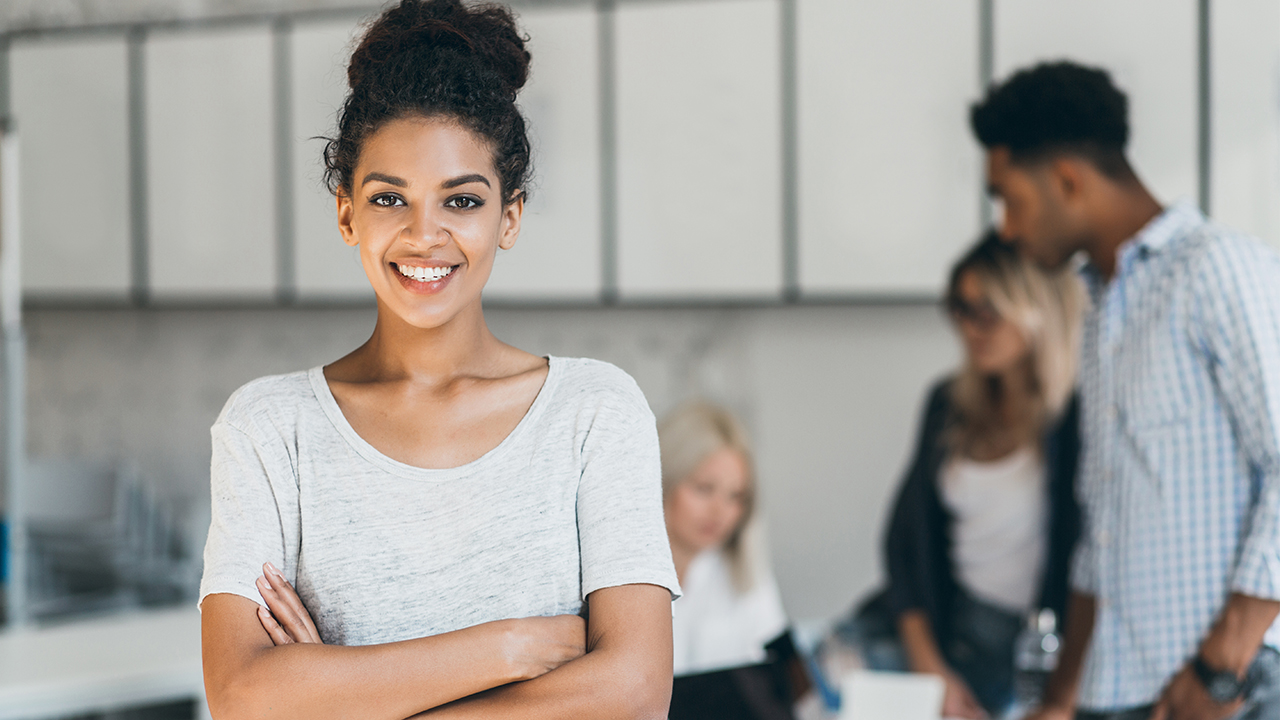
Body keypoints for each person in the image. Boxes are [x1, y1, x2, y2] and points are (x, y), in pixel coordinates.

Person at [197, 2, 679, 718]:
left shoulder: (595, 414)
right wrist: (510, 648)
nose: (425, 236)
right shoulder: (270, 430)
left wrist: (339, 690)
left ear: (508, 218)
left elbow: (637, 693)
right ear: (346, 214)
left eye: (462, 200)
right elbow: (242, 696)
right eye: (390, 197)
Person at [970, 61, 1280, 720]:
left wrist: (1222, 671)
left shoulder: (1216, 269)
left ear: (1066, 180)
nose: (1006, 227)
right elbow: (1101, 535)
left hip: (1222, 691)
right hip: (1120, 694)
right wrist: (1061, 698)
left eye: (1009, 198)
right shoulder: (1102, 308)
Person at [834, 231, 1085, 719]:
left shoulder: (1075, 421)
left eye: (987, 310)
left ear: (1036, 308)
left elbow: (1091, 563)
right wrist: (931, 667)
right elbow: (904, 546)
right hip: (941, 628)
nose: (971, 327)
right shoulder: (947, 404)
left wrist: (1063, 696)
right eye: (959, 309)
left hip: (1029, 649)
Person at [660, 402, 789, 677]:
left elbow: (775, 677)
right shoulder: (617, 578)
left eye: (735, 496)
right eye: (704, 489)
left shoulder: (748, 575)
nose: (719, 513)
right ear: (662, 480)